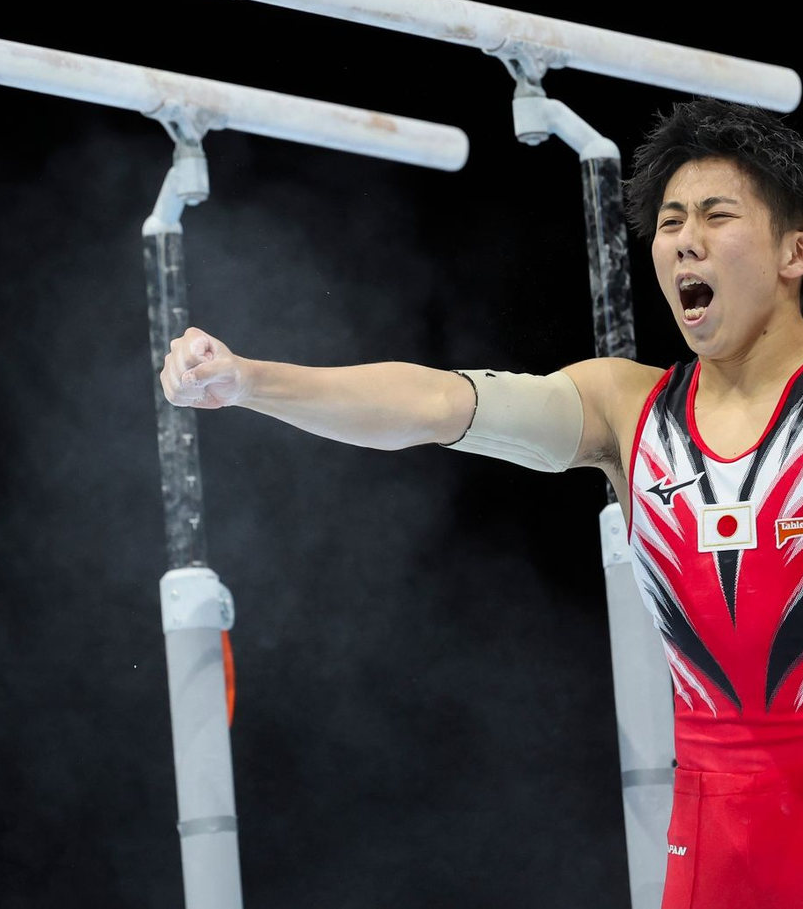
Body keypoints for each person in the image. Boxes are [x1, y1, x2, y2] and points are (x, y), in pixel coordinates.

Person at [159, 98, 802, 909]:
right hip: (711, 836)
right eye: (671, 221)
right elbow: (434, 405)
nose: (685, 241)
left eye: (717, 214)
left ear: (793, 252)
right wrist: (248, 380)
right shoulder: (627, 410)